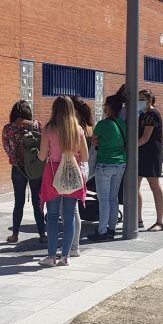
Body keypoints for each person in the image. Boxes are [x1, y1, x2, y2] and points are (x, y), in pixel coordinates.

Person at [37, 96, 89, 267]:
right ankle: (65, 256)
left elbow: (43, 156)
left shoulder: (49, 129)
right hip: (72, 174)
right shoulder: (78, 130)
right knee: (69, 216)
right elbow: (86, 157)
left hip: (52, 174)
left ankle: (51, 256)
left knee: (52, 217)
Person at [2, 100, 47, 244]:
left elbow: (7, 148)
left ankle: (14, 234)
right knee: (37, 201)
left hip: (17, 169)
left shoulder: (9, 128)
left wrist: (15, 160)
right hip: (35, 167)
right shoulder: (36, 125)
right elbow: (44, 145)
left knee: (18, 202)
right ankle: (42, 234)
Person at [88, 95, 126, 241]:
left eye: (105, 105)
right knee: (113, 198)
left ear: (109, 107)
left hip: (105, 164)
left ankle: (102, 231)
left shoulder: (103, 124)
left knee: (103, 199)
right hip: (120, 163)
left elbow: (94, 140)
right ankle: (112, 229)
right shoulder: (123, 124)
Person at [68, 96, 94, 257]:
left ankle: (73, 245)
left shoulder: (77, 128)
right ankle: (73, 245)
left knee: (71, 208)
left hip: (76, 167)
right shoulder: (89, 126)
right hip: (86, 168)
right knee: (74, 206)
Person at [138, 89, 163, 232]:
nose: (140, 101)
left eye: (143, 98)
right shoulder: (141, 114)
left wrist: (129, 147)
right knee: (134, 185)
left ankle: (159, 221)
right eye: (139, 98)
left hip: (151, 152)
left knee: (154, 185)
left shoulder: (152, 115)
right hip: (140, 153)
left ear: (149, 100)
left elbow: (145, 138)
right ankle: (138, 219)